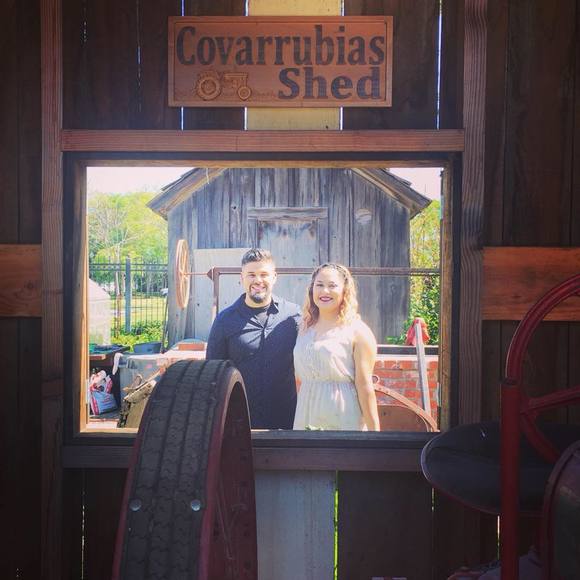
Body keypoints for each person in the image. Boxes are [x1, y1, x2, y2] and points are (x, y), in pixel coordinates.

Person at [206, 249, 301, 429]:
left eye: (264, 274)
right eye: (251, 274)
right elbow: (213, 374)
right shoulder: (224, 321)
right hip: (240, 423)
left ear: (274, 277)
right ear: (242, 278)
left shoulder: (293, 316)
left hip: (287, 422)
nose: (258, 280)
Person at [293, 263, 380, 431]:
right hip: (305, 415)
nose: (325, 291)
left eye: (332, 286)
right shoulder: (303, 328)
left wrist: (375, 434)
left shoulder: (358, 331)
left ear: (344, 290)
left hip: (343, 418)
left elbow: (365, 386)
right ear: (312, 289)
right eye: (319, 285)